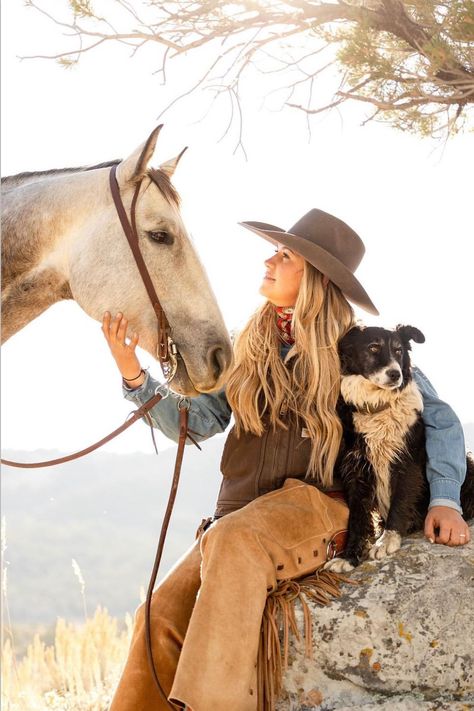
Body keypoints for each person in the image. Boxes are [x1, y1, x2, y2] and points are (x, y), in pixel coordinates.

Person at [102, 209, 469, 711]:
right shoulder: (249, 344)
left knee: (233, 540)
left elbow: (441, 420)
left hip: (317, 505)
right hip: (241, 515)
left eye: (284, 255)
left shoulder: (359, 347)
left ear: (313, 277)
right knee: (157, 617)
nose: (269, 260)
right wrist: (133, 377)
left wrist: (445, 499)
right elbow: (201, 421)